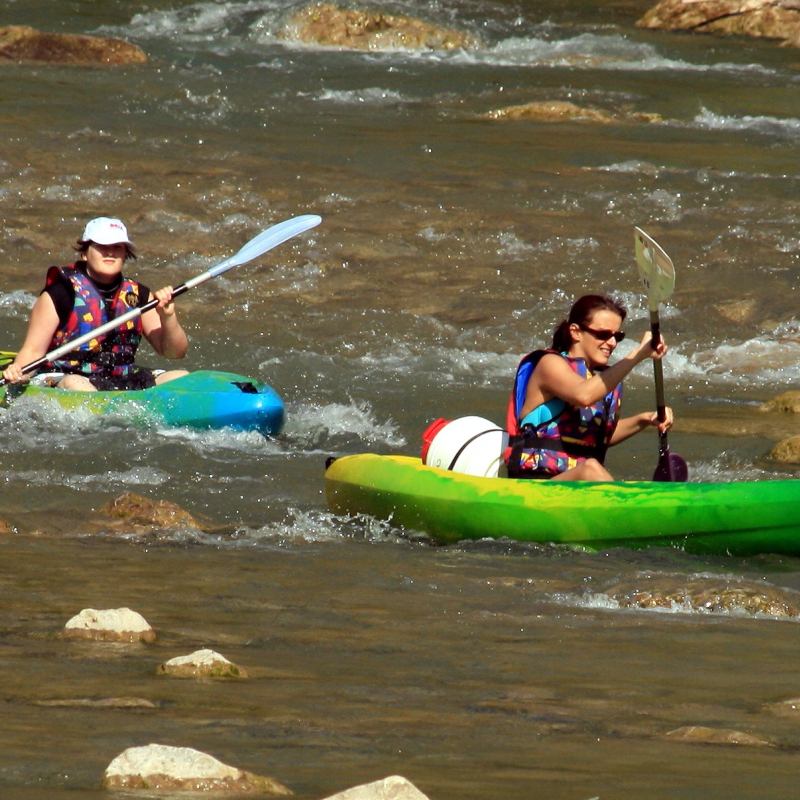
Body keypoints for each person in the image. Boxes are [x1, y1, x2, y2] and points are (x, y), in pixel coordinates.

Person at [1, 217, 189, 391]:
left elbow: (174, 353)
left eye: (117, 247)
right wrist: (19, 371)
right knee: (76, 383)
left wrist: (168, 316)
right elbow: (33, 350)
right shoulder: (60, 294)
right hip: (67, 378)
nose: (110, 252)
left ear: (125, 254)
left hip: (121, 379)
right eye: (102, 246)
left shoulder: (139, 295)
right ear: (84, 253)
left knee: (182, 377)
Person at [505, 294, 674, 481]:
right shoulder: (550, 364)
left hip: (578, 486)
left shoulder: (600, 380)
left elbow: (598, 436)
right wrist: (637, 356)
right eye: (603, 334)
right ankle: (630, 508)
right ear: (575, 332)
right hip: (536, 483)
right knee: (590, 469)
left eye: (617, 336)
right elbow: (583, 395)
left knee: (590, 468)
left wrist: (645, 419)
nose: (611, 343)